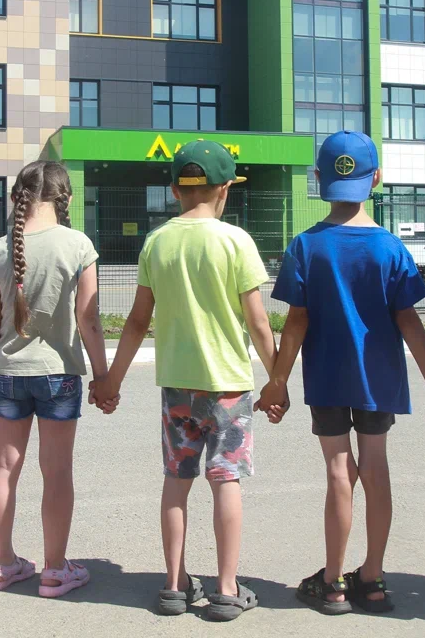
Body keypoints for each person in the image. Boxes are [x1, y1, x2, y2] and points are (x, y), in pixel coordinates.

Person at [259, 131, 425, 615]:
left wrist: (276, 382)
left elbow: (296, 322)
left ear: (318, 179)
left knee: (338, 470)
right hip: (380, 378)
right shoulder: (391, 248)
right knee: (376, 467)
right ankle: (371, 579)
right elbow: (408, 320)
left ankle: (332, 582)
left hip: (327, 378)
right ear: (377, 179)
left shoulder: (306, 245)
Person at [93, 140, 278, 622]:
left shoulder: (157, 242)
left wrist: (111, 381)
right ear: (226, 189)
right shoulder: (236, 241)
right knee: (226, 479)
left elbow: (137, 321)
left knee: (177, 480)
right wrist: (277, 379)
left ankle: (174, 585)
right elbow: (259, 322)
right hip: (229, 385)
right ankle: (226, 589)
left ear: (174, 190)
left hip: (177, 386)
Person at [0, 160, 110, 597]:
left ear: (18, 196)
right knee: (57, 470)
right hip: (58, 375)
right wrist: (103, 376)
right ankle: (54, 569)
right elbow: (89, 320)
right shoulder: (78, 244)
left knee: (4, 466)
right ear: (66, 197)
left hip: (7, 374)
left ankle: (1, 564)